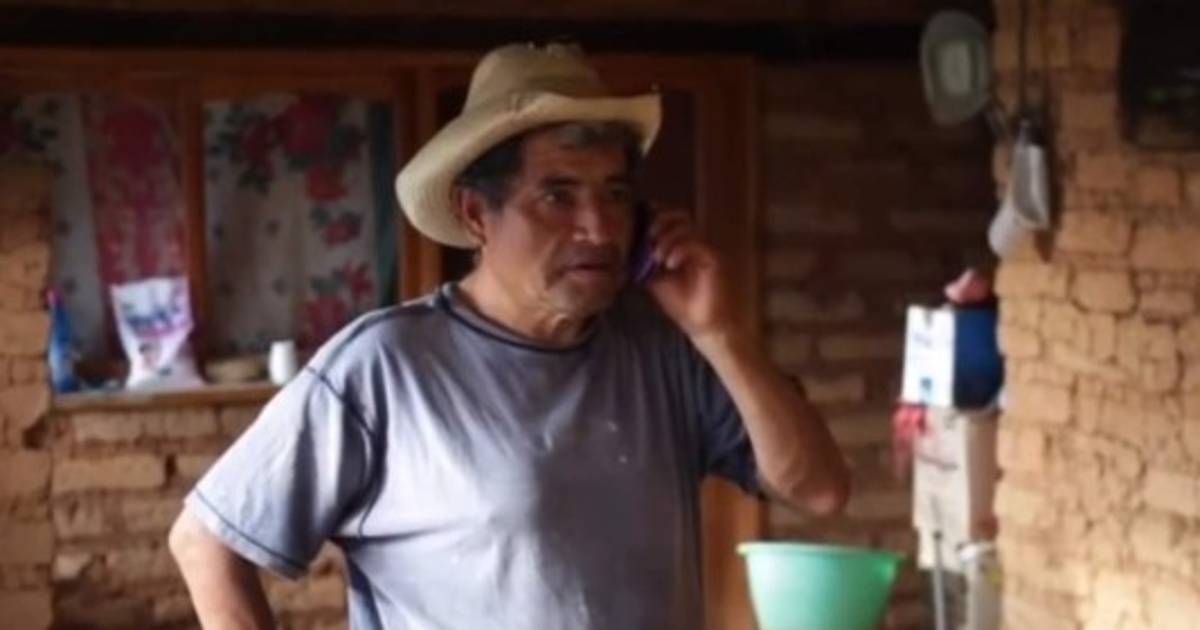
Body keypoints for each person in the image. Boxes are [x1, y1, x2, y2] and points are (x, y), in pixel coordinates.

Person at [168, 42, 849, 630]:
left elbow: (820, 490)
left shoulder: (664, 348)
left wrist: (720, 331)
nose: (598, 227)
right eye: (558, 196)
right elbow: (206, 542)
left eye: (614, 194)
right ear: (475, 214)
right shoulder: (385, 367)